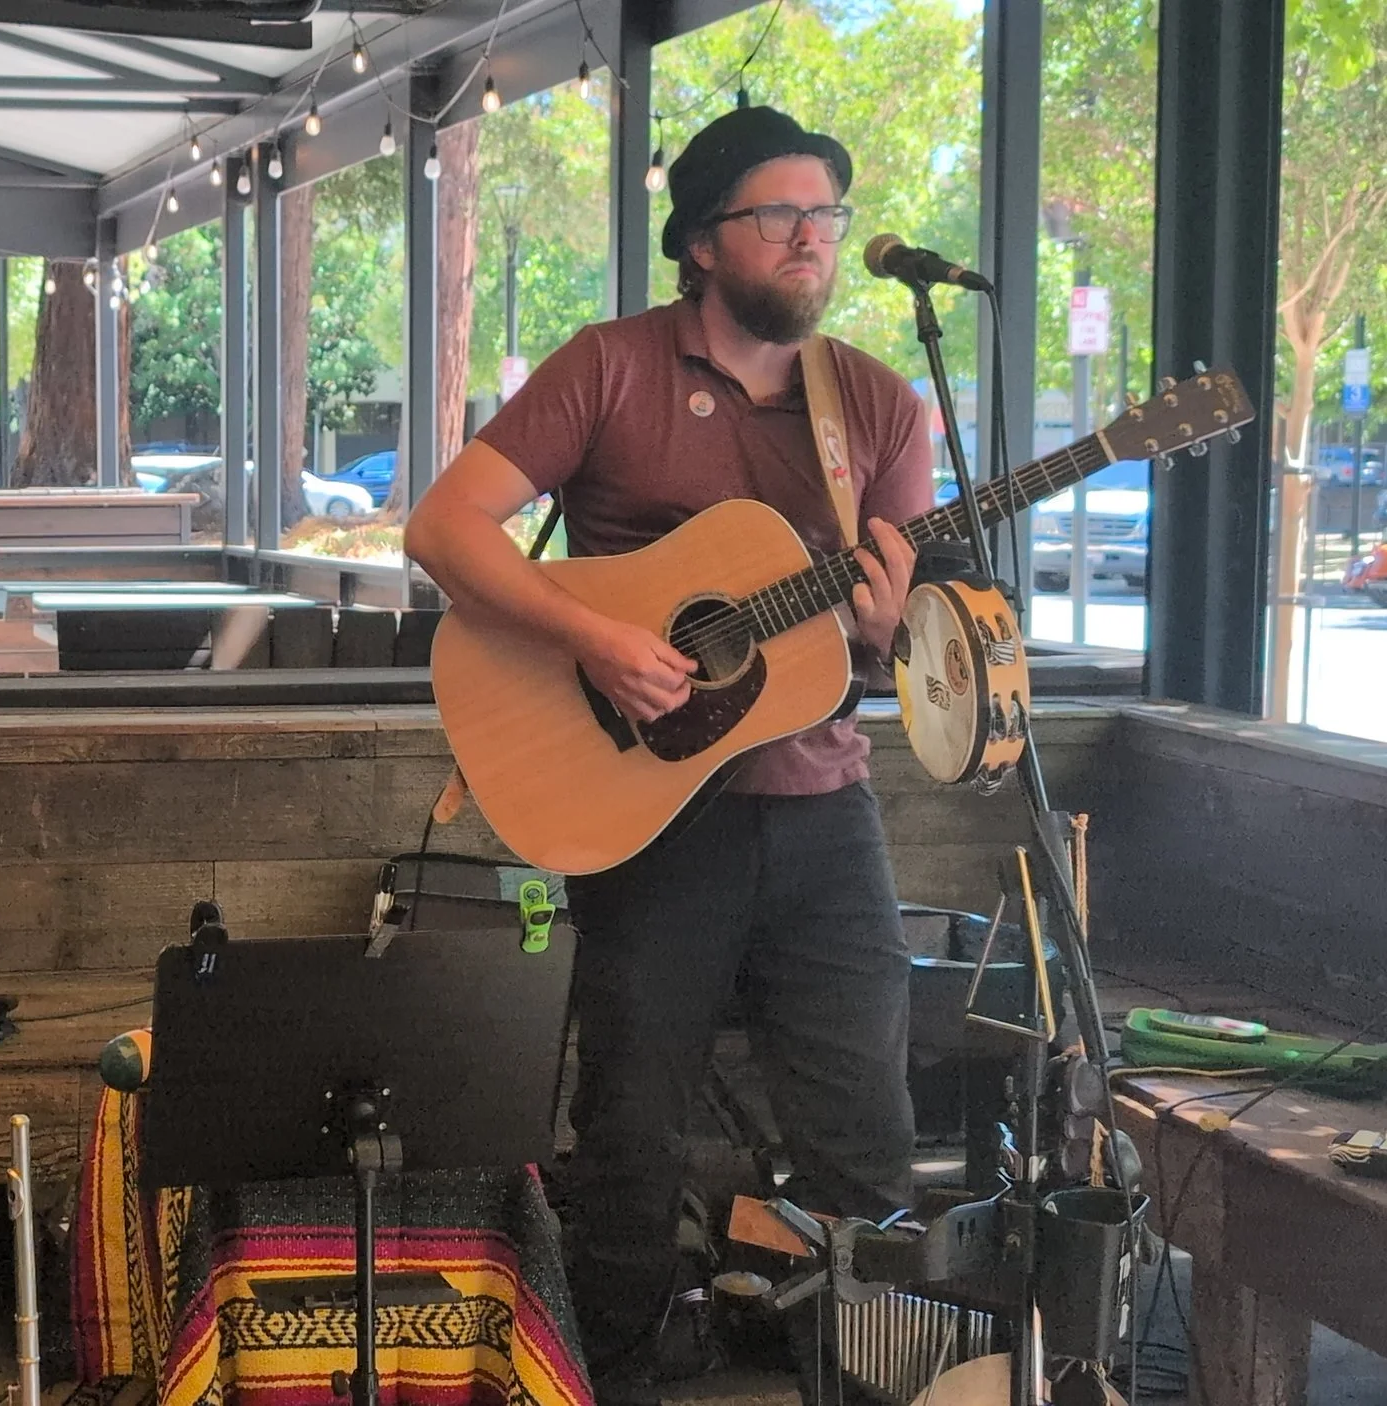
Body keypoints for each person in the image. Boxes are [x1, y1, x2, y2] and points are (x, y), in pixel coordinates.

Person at [403, 106, 932, 1405]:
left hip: (823, 808)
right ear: (702, 241)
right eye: (781, 216)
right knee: (633, 1136)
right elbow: (444, 528)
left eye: (828, 217)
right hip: (647, 811)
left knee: (869, 1134)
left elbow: (900, 624)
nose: (813, 240)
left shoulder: (874, 402)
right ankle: (611, 1381)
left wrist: (888, 622)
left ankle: (868, 1383)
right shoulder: (612, 367)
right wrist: (592, 636)